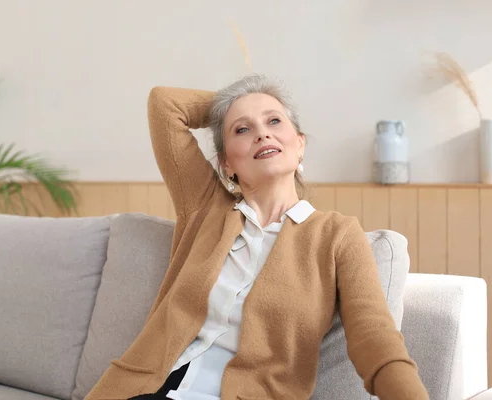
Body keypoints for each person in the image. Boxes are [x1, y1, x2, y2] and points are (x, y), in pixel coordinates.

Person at [85, 75, 429, 400]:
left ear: (300, 145)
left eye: (275, 121)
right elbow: (164, 104)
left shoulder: (337, 235)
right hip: (142, 389)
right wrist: (232, 103)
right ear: (227, 165)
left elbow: (374, 336)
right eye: (243, 129)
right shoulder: (204, 210)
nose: (262, 134)